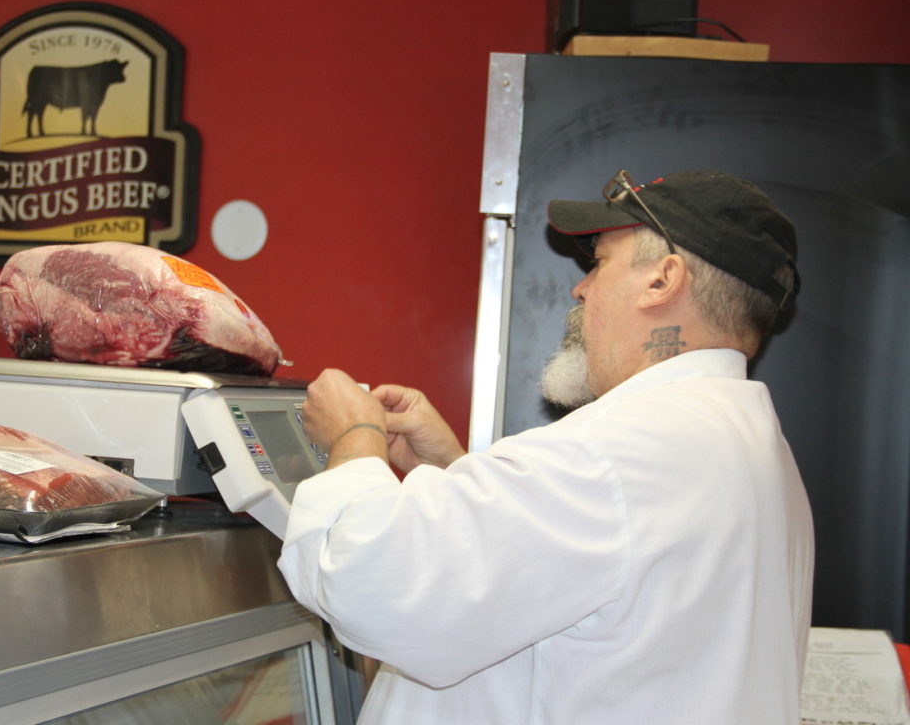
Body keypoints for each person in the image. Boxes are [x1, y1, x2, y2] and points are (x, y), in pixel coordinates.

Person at [278, 169, 814, 723]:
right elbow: (587, 576)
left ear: (662, 280)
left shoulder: (619, 448)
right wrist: (458, 470)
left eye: (600, 262)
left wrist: (353, 440)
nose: (580, 288)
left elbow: (373, 587)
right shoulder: (745, 445)